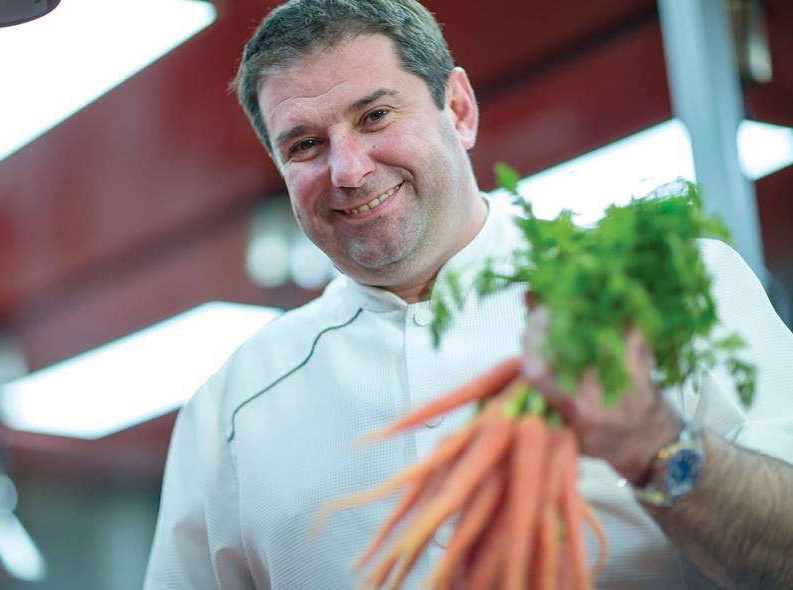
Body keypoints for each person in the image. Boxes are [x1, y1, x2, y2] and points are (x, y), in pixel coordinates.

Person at [144, 1, 793, 588]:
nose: (346, 169)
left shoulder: (665, 285)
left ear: (458, 109)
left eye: (374, 115)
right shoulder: (230, 407)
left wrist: (655, 445)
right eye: (304, 145)